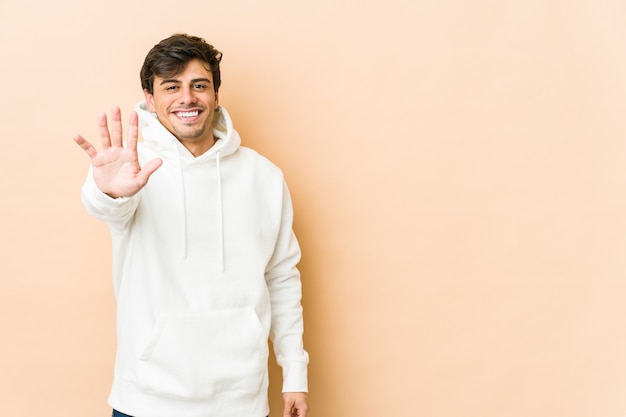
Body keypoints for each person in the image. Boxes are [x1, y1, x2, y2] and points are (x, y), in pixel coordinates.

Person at [73, 33, 309, 417]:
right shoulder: (132, 169)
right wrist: (110, 193)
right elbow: (107, 208)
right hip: (146, 399)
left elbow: (281, 276)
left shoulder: (263, 176)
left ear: (216, 94)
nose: (187, 98)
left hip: (240, 399)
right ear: (150, 99)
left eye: (199, 85)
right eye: (171, 87)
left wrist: (294, 371)